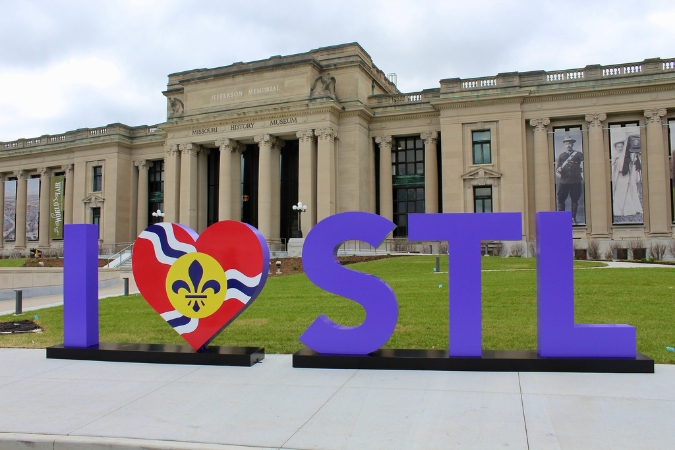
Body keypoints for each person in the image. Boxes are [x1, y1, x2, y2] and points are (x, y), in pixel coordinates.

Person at [612, 135, 642, 220]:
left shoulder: (628, 156)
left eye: (621, 146)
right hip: (619, 177)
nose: (620, 148)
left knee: (629, 190)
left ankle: (630, 209)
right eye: (618, 146)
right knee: (620, 191)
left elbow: (633, 165)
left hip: (627, 176)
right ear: (616, 147)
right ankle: (619, 210)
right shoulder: (615, 156)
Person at [556, 135, 584, 224]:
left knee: (575, 200)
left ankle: (573, 218)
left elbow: (584, 166)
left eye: (570, 143)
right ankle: (561, 218)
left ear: (572, 144)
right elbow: (557, 170)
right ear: (565, 145)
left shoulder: (578, 154)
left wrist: (582, 175)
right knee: (561, 200)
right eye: (567, 143)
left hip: (575, 181)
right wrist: (561, 175)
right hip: (564, 182)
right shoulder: (562, 156)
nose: (568, 145)